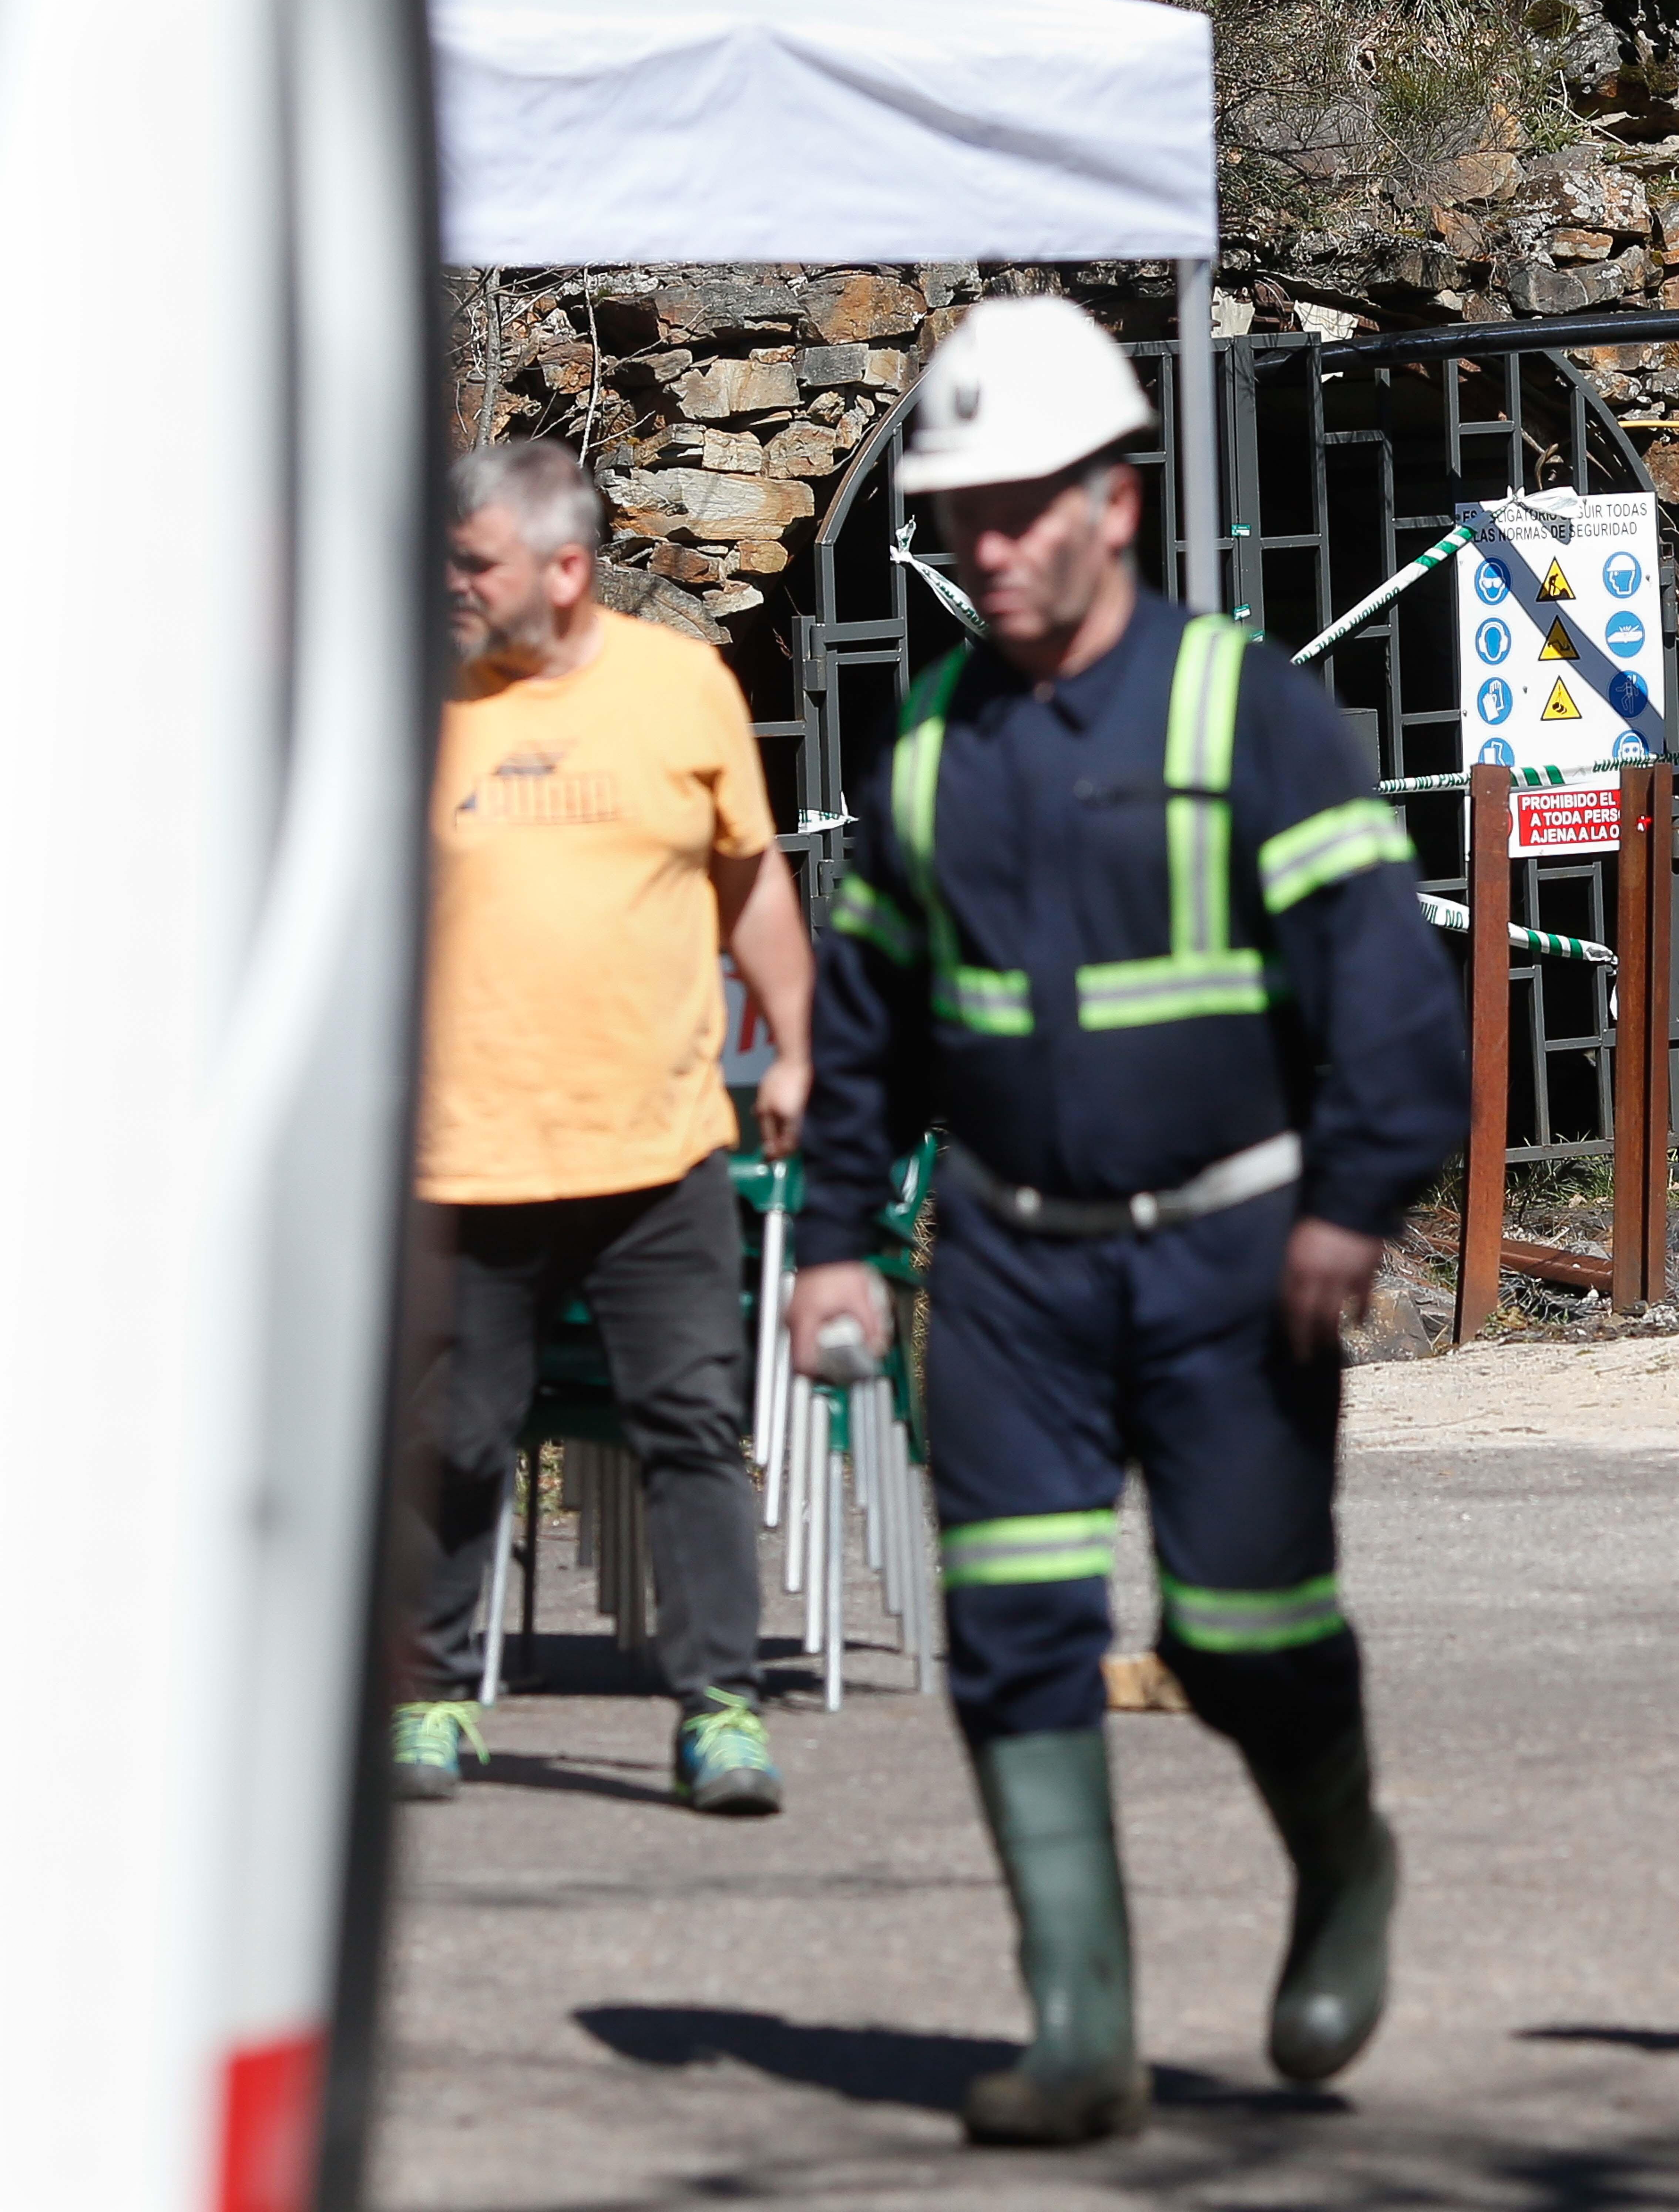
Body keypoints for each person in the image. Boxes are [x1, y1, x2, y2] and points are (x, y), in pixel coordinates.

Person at [787, 297, 1465, 2145]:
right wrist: (836, 1233)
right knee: (1009, 1632)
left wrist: (1352, 1208)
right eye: (958, 519)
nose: (986, 551)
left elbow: (1392, 1008)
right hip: (1007, 1264)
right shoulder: (928, 756)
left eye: (1020, 510)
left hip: (1236, 1257)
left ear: (1119, 504)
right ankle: (1081, 2027)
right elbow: (869, 1035)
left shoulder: (1253, 717)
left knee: (1243, 1634)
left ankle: (1345, 1868)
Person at [392, 440, 813, 1815]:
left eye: (476, 564)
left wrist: (799, 1044)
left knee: (688, 1426)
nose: (450, 583)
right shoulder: (416, 703)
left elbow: (748, 885)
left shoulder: (681, 689)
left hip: (656, 1148)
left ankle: (721, 1712)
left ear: (566, 571)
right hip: (464, 1153)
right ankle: (433, 1697)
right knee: (452, 1438)